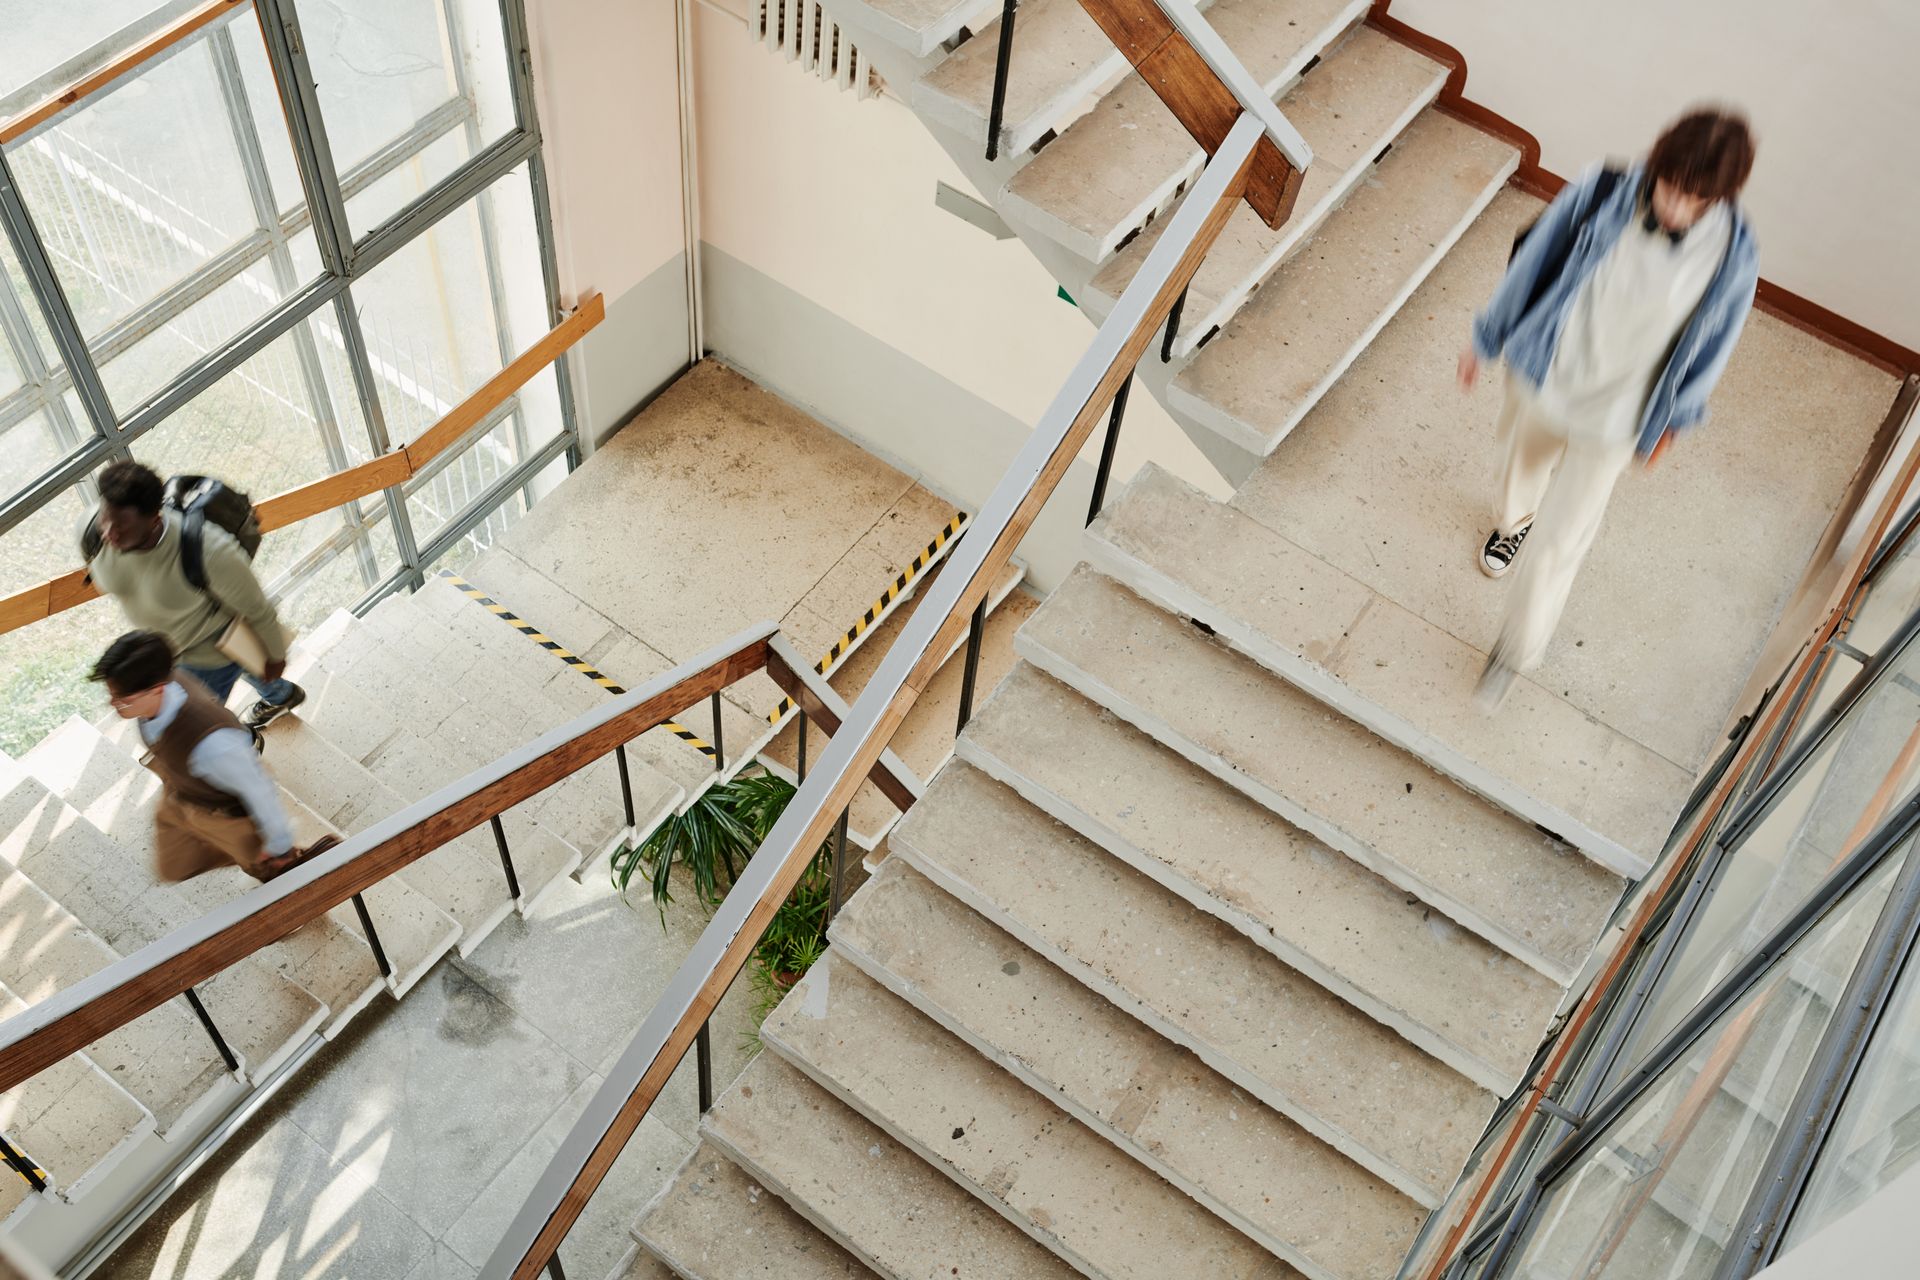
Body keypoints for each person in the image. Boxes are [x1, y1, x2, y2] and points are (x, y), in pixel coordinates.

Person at [1458, 108, 1760, 710]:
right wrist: (1486, 337)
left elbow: (1716, 344)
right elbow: (1538, 261)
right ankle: (1513, 523)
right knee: (1520, 465)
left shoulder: (1734, 255)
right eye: (1671, 188)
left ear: (1719, 197)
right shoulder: (1603, 191)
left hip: (1620, 416)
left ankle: (1515, 650)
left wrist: (1676, 419)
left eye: (1695, 200)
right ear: (1658, 164)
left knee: (1566, 538)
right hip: (1549, 373)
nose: (1676, 209)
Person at [92, 631, 335, 882]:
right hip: (181, 791)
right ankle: (250, 853)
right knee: (172, 868)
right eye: (111, 694)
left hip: (222, 812)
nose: (113, 703)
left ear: (157, 689)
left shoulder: (214, 745)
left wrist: (279, 846)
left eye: (122, 700)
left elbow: (258, 788)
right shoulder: (164, 683)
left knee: (260, 864)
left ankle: (289, 864)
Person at [85, 460, 304, 729]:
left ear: (155, 518)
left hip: (206, 654)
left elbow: (258, 610)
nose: (108, 533)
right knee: (249, 660)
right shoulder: (91, 529)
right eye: (106, 519)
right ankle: (281, 695)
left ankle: (241, 743)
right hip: (168, 649)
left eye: (122, 528)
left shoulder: (210, 551)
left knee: (195, 729)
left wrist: (275, 656)